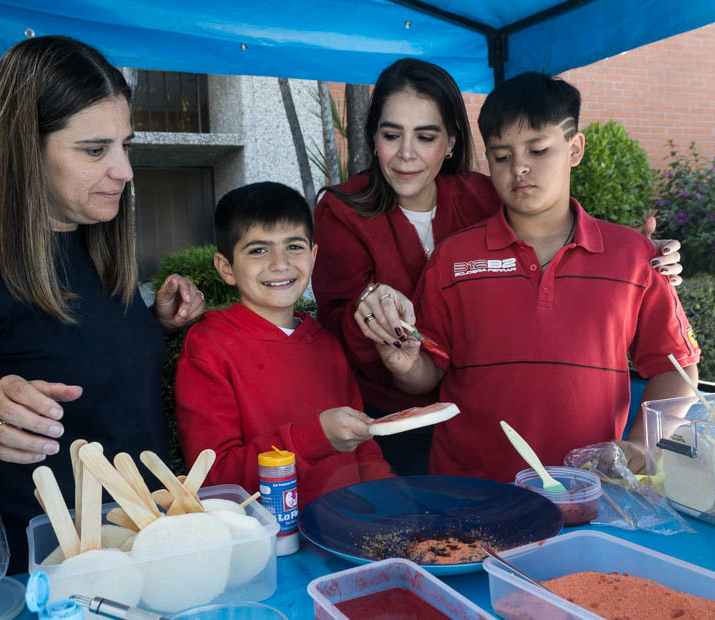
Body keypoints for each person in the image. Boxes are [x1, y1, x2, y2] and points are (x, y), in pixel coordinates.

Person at [0, 36, 206, 573]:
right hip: (26, 578)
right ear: (25, 147)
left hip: (140, 553)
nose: (124, 171)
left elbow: (62, 352)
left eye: (126, 145)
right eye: (95, 150)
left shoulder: (94, 231)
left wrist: (153, 328)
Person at [312, 58, 683, 475]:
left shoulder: (482, 192)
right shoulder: (346, 212)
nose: (406, 153)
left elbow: (550, 214)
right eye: (391, 134)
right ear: (374, 139)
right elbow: (345, 324)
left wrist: (630, 250)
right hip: (402, 417)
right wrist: (383, 331)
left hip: (580, 476)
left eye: (426, 135)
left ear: (450, 142)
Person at [174, 182, 392, 506]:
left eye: (294, 246)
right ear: (226, 268)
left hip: (350, 533)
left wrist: (394, 504)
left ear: (313, 255)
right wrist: (316, 438)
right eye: (259, 249)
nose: (280, 263)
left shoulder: (327, 343)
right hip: (270, 544)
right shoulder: (208, 347)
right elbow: (215, 478)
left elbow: (364, 443)